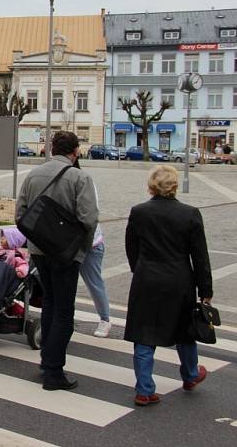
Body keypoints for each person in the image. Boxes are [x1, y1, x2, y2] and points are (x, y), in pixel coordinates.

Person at [16, 131, 98, 391]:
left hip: (39, 252)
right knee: (64, 311)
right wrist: (79, 249)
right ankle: (53, 371)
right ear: (75, 152)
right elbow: (89, 219)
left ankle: (45, 363)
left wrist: (37, 239)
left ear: (51, 149)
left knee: (50, 304)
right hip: (66, 255)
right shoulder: (80, 177)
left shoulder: (33, 174)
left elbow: (20, 214)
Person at [124, 165, 213, 406]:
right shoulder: (190, 213)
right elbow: (200, 256)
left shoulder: (139, 212)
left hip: (147, 278)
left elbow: (131, 246)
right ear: (174, 185)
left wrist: (139, 268)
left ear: (151, 185)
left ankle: (144, 389)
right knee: (185, 330)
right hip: (179, 279)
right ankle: (191, 374)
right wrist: (206, 291)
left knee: (144, 332)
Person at [72, 158, 112, 338]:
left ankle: (105, 319)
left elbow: (90, 214)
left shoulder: (85, 181)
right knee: (66, 284)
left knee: (94, 282)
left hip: (90, 243)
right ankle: (66, 317)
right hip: (67, 243)